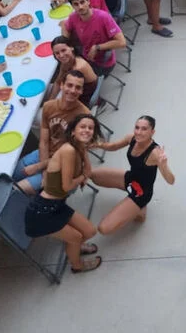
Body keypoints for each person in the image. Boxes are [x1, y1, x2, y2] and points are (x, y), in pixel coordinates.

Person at [24, 114, 103, 273]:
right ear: (73, 131)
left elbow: (88, 170)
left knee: (90, 231)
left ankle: (75, 247)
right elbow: (67, 186)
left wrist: (84, 152)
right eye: (83, 126)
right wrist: (83, 176)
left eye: (91, 128)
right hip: (42, 212)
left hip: (57, 205)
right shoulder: (68, 150)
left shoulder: (79, 147)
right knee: (77, 237)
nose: (87, 130)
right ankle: (77, 265)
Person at [90, 115, 176, 234]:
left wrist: (164, 165)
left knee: (103, 229)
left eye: (144, 129)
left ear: (152, 132)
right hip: (131, 178)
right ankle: (134, 207)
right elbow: (113, 146)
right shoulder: (132, 138)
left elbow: (171, 181)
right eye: (137, 127)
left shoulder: (154, 153)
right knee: (93, 175)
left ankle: (140, 209)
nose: (139, 132)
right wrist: (98, 144)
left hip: (141, 192)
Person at [15, 69, 91, 194]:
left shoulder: (84, 117)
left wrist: (40, 167)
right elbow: (44, 142)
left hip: (65, 165)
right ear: (62, 85)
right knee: (12, 174)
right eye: (69, 85)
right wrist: (45, 169)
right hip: (45, 154)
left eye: (78, 87)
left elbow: (71, 157)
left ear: (82, 91)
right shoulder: (48, 107)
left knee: (17, 190)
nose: (73, 90)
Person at [61, 0, 127, 74]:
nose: (80, 7)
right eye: (76, 4)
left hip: (102, 63)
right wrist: (64, 45)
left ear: (88, 1)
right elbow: (65, 25)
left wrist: (97, 47)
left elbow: (122, 42)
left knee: (67, 73)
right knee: (63, 63)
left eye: (82, 2)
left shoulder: (103, 17)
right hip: (85, 55)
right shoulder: (73, 17)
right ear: (72, 6)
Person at [46, 36, 98, 106]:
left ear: (71, 47)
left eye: (63, 50)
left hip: (85, 92)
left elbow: (73, 92)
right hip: (74, 87)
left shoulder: (79, 67)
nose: (61, 55)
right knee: (47, 92)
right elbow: (58, 81)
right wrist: (50, 101)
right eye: (57, 53)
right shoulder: (66, 61)